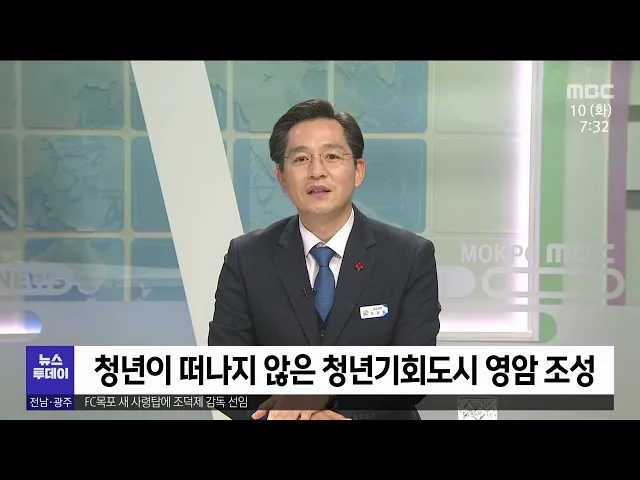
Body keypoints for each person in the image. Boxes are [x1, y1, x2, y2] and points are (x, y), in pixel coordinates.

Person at [208, 98, 440, 420]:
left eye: (332, 156)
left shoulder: (409, 256)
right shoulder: (247, 258)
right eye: (301, 158)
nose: (317, 172)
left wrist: (329, 391)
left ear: (358, 171)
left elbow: (413, 373)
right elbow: (221, 377)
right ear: (281, 177)